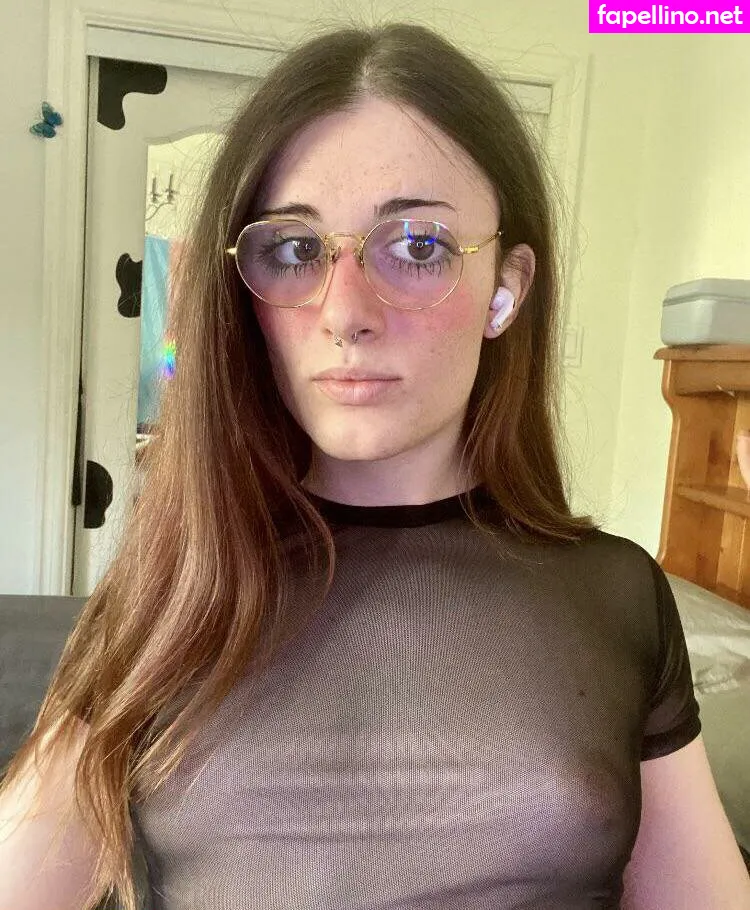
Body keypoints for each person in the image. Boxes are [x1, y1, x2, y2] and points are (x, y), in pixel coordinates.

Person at [1, 21, 749, 910]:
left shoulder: (616, 593)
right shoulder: (171, 587)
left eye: (419, 245)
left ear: (506, 289)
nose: (344, 311)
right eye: (294, 249)